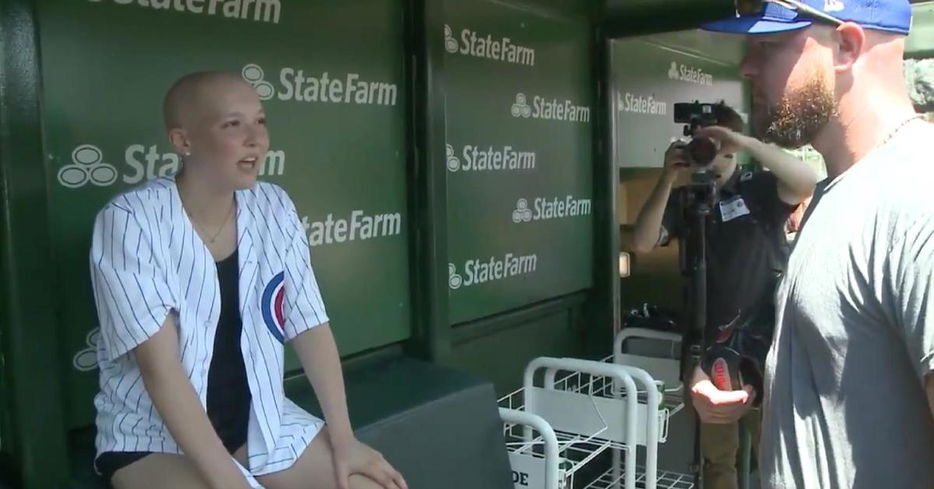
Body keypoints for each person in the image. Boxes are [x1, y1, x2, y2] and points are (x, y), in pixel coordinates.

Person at [89, 71, 408, 489]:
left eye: (260, 121)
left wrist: (345, 440)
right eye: (232, 124)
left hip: (257, 418)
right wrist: (232, 483)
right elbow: (160, 370)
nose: (256, 138)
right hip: (153, 436)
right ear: (183, 142)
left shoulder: (274, 205)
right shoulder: (131, 221)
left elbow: (310, 325)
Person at [696, 1, 934, 487]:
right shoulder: (838, 189)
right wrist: (750, 380)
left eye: (768, 46)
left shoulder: (918, 201)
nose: (747, 65)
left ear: (845, 46)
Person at [632, 102, 817, 489]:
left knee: (779, 460)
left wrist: (743, 141)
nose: (708, 154)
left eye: (715, 143)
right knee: (718, 463)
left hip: (767, 346)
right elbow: (643, 243)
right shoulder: (689, 198)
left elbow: (805, 181)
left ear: (730, 145)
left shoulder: (759, 188)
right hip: (709, 352)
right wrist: (667, 178)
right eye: (700, 144)